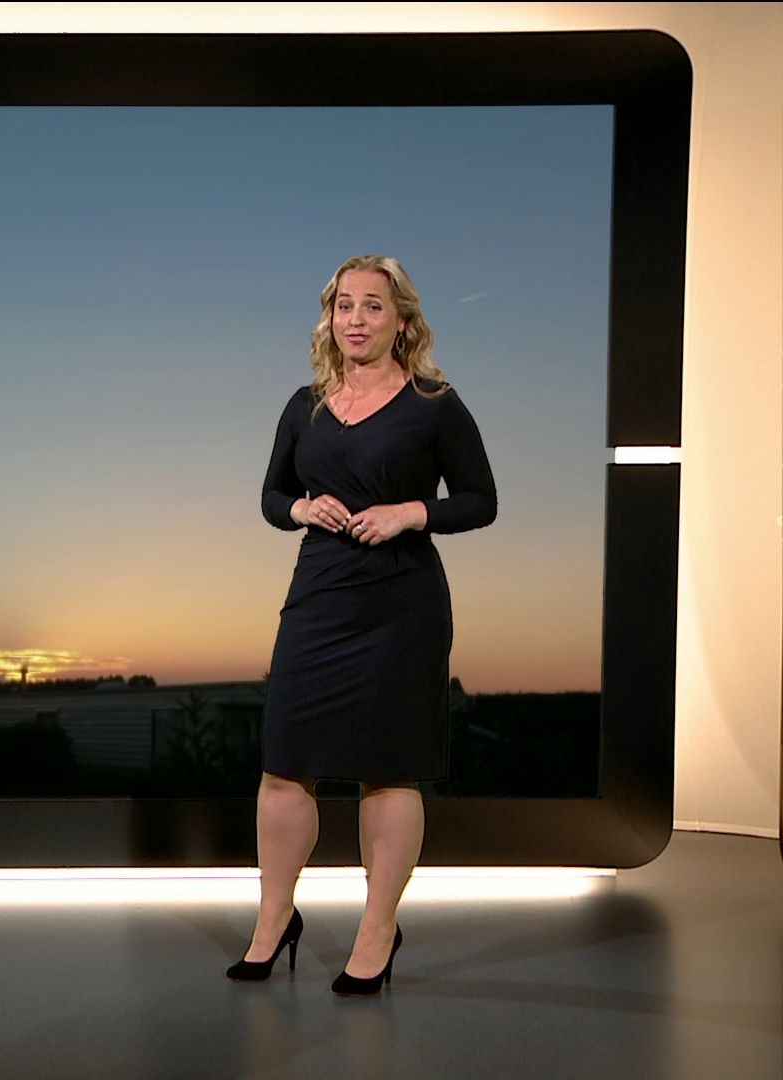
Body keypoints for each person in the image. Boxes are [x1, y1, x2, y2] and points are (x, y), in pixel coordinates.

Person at [227, 255, 497, 994]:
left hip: (400, 605)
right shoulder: (305, 405)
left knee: (388, 768)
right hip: (319, 597)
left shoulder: (435, 405)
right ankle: (274, 920)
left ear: (401, 321)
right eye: (344, 305)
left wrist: (411, 512)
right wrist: (299, 508)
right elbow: (271, 495)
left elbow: (480, 500)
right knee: (285, 765)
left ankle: (378, 930)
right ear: (330, 316)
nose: (355, 319)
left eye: (373, 306)